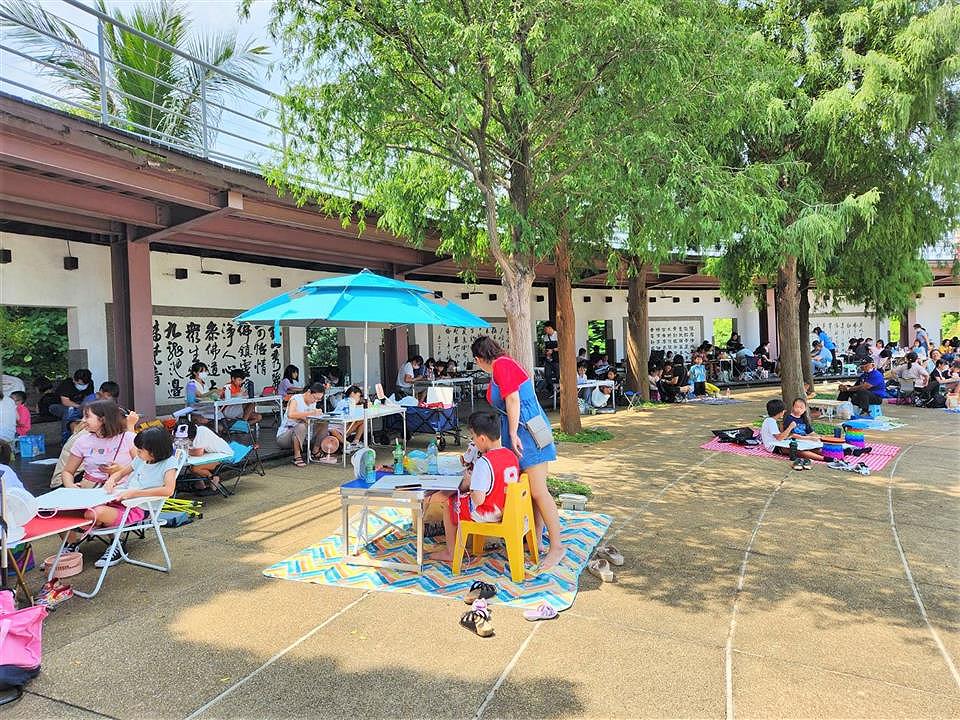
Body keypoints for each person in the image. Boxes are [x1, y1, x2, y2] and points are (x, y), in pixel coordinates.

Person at [470, 335, 563, 570]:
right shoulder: (500, 367)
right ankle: (536, 539)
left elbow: (513, 399)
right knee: (530, 490)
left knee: (539, 491)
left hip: (526, 431)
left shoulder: (503, 364)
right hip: (519, 431)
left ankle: (557, 546)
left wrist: (512, 433)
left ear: (478, 358)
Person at [64, 427, 179, 569]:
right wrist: (111, 480)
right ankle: (109, 541)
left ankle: (107, 540)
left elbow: (168, 490)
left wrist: (134, 493)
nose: (137, 453)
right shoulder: (142, 459)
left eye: (140, 450)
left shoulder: (168, 463)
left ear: (155, 451)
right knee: (73, 510)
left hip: (141, 507)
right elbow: (120, 473)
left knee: (93, 513)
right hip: (123, 499)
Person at [426, 411, 519, 563]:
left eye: (473, 438)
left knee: (449, 502)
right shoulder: (511, 455)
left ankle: (451, 552)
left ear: (482, 438)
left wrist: (470, 484)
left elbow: (478, 500)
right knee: (456, 494)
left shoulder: (484, 462)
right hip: (508, 509)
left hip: (489, 512)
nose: (473, 442)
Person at [61, 400, 137, 489]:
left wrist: (120, 470)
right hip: (90, 489)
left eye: (87, 416)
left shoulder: (129, 438)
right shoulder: (82, 441)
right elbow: (67, 471)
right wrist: (70, 486)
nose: (83, 420)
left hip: (122, 489)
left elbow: (143, 469)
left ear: (103, 419)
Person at [760, 398, 824, 470]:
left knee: (810, 448)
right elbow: (779, 438)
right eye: (783, 410)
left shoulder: (770, 420)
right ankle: (823, 458)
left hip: (778, 443)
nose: (784, 412)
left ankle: (829, 456)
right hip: (773, 447)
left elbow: (781, 436)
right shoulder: (771, 421)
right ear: (780, 412)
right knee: (796, 450)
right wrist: (790, 427)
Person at [277, 382, 327, 467]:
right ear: (309, 392)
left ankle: (315, 450)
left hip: (305, 434)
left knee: (324, 423)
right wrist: (311, 413)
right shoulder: (296, 399)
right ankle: (297, 456)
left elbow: (309, 418)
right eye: (315, 398)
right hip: (285, 437)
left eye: (318, 400)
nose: (315, 401)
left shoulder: (313, 403)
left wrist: (318, 416)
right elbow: (291, 414)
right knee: (301, 426)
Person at [180, 421, 233, 495]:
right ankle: (200, 485)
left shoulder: (201, 434)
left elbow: (199, 452)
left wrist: (185, 451)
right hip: (213, 453)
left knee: (195, 468)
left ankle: (214, 480)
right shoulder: (200, 429)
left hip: (224, 455)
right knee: (192, 464)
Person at [49, 368, 94, 441]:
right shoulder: (67, 384)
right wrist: (80, 407)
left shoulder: (90, 384)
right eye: (76, 381)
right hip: (57, 405)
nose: (74, 382)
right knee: (69, 411)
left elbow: (88, 399)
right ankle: (66, 439)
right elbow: (65, 402)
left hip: (77, 406)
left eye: (80, 384)